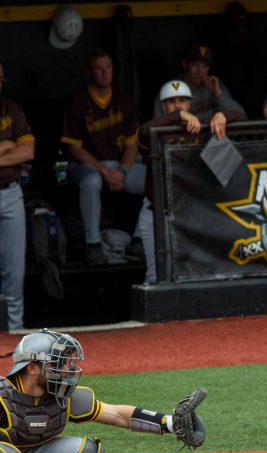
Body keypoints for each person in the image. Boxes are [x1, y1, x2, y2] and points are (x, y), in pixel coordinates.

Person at [1, 329, 206, 453]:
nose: (66, 370)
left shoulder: (60, 397)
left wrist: (170, 423)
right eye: (57, 364)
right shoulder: (3, 397)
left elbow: (117, 414)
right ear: (33, 367)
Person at [136, 80, 245, 284]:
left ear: (190, 104)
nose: (178, 105)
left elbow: (241, 116)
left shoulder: (199, 127)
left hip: (189, 215)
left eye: (182, 101)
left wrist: (222, 114)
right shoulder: (155, 130)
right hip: (156, 213)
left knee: (191, 274)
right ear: (163, 106)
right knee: (155, 277)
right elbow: (143, 131)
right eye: (172, 102)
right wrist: (177, 117)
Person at [61, 49, 143, 266]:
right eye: (99, 68)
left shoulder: (124, 101)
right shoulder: (78, 102)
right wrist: (104, 171)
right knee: (91, 182)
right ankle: (93, 245)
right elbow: (74, 149)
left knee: (157, 177)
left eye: (108, 68)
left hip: (119, 165)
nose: (105, 73)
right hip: (86, 166)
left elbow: (132, 144)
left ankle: (139, 239)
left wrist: (122, 171)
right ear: (89, 72)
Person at [0, 63, 34, 332]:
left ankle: (14, 333)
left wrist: (13, 147)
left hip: (11, 194)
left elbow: (28, 151)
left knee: (14, 272)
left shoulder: (11, 110)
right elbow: (16, 148)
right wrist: (6, 145)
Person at [152, 43, 247, 120]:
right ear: (185, 65)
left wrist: (218, 93)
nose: (199, 72)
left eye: (204, 67)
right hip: (181, 141)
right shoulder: (170, 89)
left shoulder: (215, 85)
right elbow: (157, 124)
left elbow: (240, 114)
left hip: (212, 139)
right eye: (195, 65)